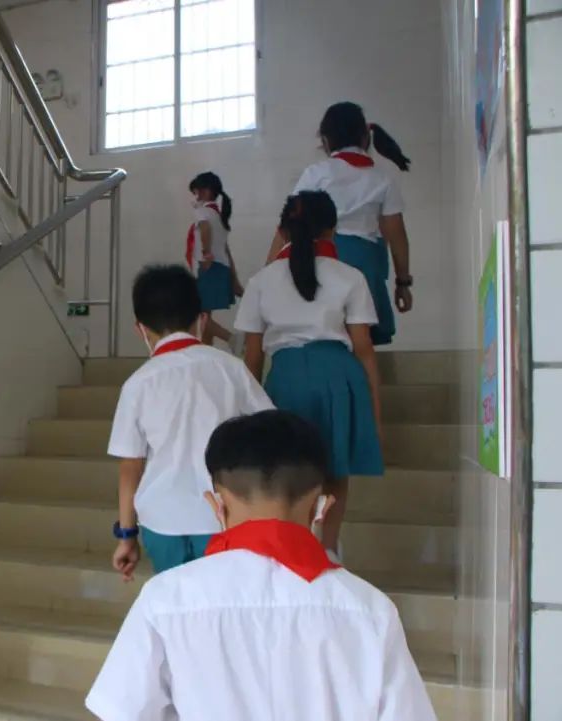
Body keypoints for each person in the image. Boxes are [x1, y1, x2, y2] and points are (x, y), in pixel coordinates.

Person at [86, 410, 437, 721]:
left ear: (217, 506)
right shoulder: (371, 610)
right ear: (322, 508)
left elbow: (121, 711)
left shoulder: (165, 599)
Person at [236, 191, 383, 556]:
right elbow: (364, 348)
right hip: (339, 375)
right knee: (335, 469)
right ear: (332, 230)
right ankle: (327, 550)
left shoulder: (261, 281)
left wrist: (248, 411)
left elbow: (252, 355)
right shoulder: (350, 276)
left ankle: (292, 545)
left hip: (285, 378)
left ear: (282, 231)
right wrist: (375, 409)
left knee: (287, 469)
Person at [107, 264, 272, 579]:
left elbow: (130, 467)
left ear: (140, 329)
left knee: (177, 604)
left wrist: (127, 535)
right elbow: (268, 431)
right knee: (222, 602)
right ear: (202, 320)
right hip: (225, 516)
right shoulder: (231, 369)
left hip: (161, 521)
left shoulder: (138, 385)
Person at [266, 101, 413, 346]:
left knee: (323, 332)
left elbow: (289, 225)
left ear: (325, 140)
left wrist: (269, 271)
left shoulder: (316, 174)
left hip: (321, 261)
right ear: (366, 137)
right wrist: (403, 282)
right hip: (366, 266)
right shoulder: (382, 179)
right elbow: (397, 235)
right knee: (361, 338)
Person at [185, 172, 244, 352]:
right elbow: (226, 250)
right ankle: (206, 351)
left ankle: (232, 339)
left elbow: (205, 229)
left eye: (196, 192)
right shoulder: (218, 216)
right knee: (205, 315)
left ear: (206, 191)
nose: (195, 197)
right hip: (220, 267)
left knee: (199, 316)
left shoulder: (203, 212)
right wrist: (233, 277)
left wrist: (206, 253)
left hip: (209, 267)